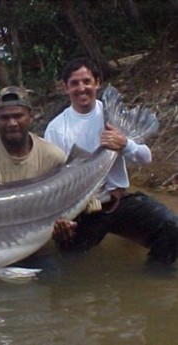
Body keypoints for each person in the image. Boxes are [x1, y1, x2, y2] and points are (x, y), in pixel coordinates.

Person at [44, 56, 178, 264]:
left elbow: (146, 158)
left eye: (87, 81)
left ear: (97, 83)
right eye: (74, 83)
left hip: (118, 202)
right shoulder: (56, 128)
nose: (81, 88)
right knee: (69, 261)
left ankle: (154, 276)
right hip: (82, 210)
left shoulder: (112, 117)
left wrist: (124, 143)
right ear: (65, 88)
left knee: (172, 227)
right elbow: (55, 180)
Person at [0, 86, 67, 184]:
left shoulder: (53, 157)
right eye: (4, 117)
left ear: (31, 117)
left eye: (18, 116)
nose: (12, 123)